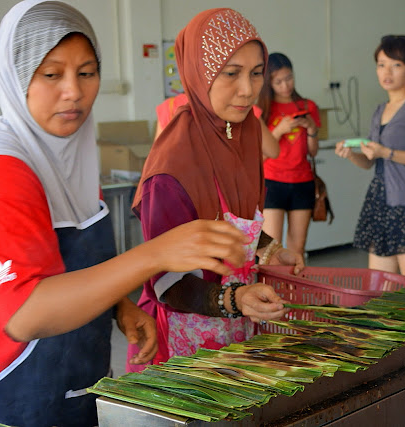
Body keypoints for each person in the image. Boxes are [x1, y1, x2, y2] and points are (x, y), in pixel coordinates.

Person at [0, 1, 256, 426]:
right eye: (51, 74)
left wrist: (119, 306)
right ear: (16, 75)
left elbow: (70, 260)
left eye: (86, 72)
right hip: (6, 395)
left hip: (75, 382)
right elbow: (26, 313)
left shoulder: (68, 153)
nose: (74, 92)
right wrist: (154, 255)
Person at [126, 8, 304, 372]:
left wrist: (272, 250)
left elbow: (238, 224)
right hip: (187, 340)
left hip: (239, 328)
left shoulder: (247, 131)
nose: (247, 90)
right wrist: (234, 299)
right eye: (230, 74)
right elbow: (168, 283)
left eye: (257, 74)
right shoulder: (173, 165)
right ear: (199, 73)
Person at [334, 35, 405, 281]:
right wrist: (352, 155)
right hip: (380, 203)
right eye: (381, 64)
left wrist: (386, 152)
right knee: (379, 289)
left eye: (396, 65)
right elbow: (370, 162)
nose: (387, 71)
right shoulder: (379, 110)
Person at [257, 53, 321, 256]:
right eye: (279, 81)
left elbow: (313, 152)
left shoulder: (307, 106)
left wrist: (311, 128)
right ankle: (272, 289)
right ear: (269, 82)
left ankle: (294, 289)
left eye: (289, 78)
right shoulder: (262, 111)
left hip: (302, 182)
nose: (286, 86)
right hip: (272, 182)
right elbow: (259, 158)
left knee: (297, 249)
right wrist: (279, 130)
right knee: (271, 250)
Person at [154, 93, 280, 159]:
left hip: (181, 194)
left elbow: (157, 158)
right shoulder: (242, 107)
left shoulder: (170, 106)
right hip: (226, 196)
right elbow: (273, 151)